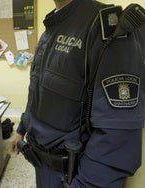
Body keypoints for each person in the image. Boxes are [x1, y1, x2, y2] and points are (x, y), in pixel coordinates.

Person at [10, 0, 145, 187]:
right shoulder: (52, 26)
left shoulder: (107, 29)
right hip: (41, 164)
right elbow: (38, 92)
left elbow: (116, 140)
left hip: (73, 176)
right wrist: (21, 129)